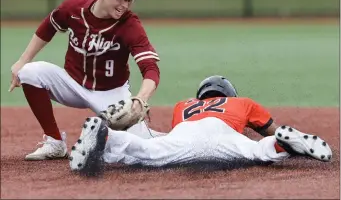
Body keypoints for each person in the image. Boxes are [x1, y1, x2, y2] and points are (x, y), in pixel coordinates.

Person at [9, 0, 164, 161]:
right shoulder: (74, 8)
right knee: (29, 72)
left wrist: (141, 98)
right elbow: (49, 25)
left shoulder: (130, 25)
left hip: (110, 93)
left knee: (140, 151)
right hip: (71, 84)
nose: (124, 4)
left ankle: (178, 139)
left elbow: (150, 68)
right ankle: (55, 143)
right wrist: (22, 61)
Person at [69, 75, 332, 174]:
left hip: (186, 131)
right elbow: (268, 125)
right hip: (223, 132)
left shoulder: (183, 105)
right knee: (257, 150)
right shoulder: (241, 102)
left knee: (148, 153)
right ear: (229, 93)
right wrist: (276, 135)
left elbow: (178, 135)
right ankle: (281, 144)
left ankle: (108, 137)